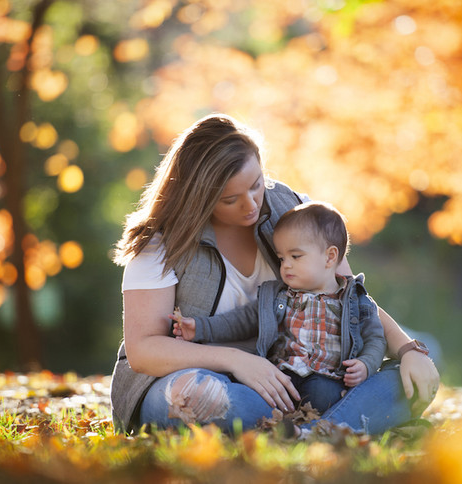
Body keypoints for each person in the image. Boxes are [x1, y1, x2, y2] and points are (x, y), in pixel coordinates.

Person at [111, 113, 439, 435]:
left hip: (296, 379)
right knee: (205, 396)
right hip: (193, 379)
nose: (251, 204)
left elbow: (349, 298)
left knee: (413, 378)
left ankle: (303, 433)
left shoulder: (294, 211)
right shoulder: (160, 243)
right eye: (230, 199)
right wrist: (235, 361)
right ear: (200, 196)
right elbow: (144, 350)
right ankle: (334, 424)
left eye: (256, 185)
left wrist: (409, 351)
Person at [171, 201, 386, 415]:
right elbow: (240, 321)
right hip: (280, 376)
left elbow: (375, 338)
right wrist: (200, 327)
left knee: (327, 393)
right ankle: (285, 420)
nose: (286, 265)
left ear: (330, 257)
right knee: (257, 393)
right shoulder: (276, 297)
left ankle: (314, 425)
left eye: (296, 256)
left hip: (326, 378)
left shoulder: (355, 301)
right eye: (282, 258)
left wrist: (366, 364)